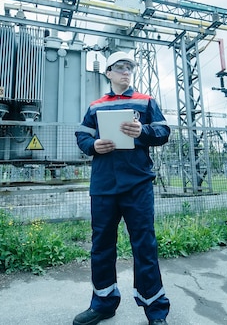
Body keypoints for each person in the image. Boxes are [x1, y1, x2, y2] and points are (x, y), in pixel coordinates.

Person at [74, 51, 171, 325]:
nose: (125, 71)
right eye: (119, 68)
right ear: (108, 73)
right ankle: (103, 303)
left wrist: (144, 133)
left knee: (144, 245)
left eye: (129, 67)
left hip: (137, 183)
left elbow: (163, 131)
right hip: (104, 185)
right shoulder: (95, 106)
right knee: (102, 245)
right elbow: (82, 135)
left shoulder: (145, 101)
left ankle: (155, 310)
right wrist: (93, 146)